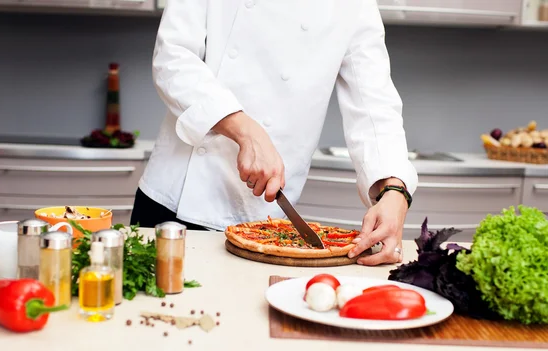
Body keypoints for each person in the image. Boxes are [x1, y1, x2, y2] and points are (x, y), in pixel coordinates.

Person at [131, 0, 419, 266]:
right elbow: (173, 58)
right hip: (173, 201)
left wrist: (394, 190)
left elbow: (374, 106)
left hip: (263, 218)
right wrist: (245, 130)